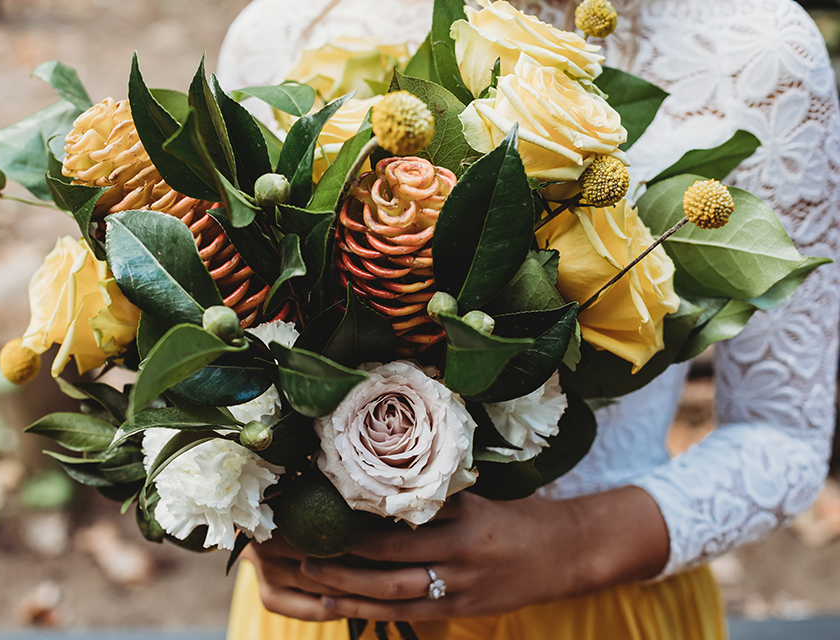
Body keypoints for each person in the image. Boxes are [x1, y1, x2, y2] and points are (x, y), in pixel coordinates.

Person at [215, 1, 840, 638]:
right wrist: (257, 514)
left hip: (599, 606)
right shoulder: (288, 28)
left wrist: (569, 545)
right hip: (331, 600)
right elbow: (239, 332)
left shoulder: (760, 47)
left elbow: (784, 438)